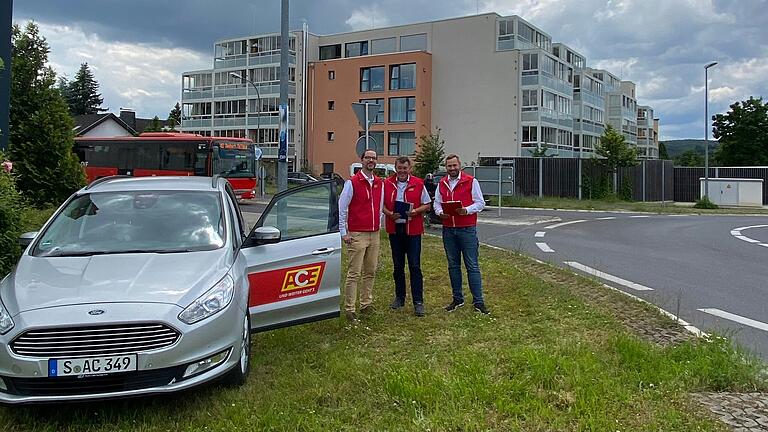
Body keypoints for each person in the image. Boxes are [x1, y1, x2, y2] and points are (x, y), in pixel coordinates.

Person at [433, 154, 490, 314]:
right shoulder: (442, 183)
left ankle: (478, 302)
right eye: (449, 166)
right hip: (449, 229)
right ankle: (457, 299)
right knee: (453, 266)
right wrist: (439, 212)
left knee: (472, 265)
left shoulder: (471, 181)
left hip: (467, 229)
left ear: (460, 166)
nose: (452, 168)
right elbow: (436, 202)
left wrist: (466, 210)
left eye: (454, 165)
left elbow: (480, 203)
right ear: (446, 167)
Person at [338, 149, 384, 322]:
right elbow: (342, 208)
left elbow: (379, 207)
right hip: (357, 233)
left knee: (370, 271)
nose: (370, 161)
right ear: (362, 160)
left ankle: (366, 303)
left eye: (373, 158)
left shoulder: (380, 183)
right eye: (367, 158)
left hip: (374, 233)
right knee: (354, 273)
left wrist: (378, 224)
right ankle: (350, 308)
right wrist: (344, 233)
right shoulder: (352, 182)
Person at [382, 157, 431, 317]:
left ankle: (418, 301)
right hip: (395, 229)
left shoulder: (418, 183)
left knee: (415, 266)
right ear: (395, 168)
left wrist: (416, 211)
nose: (402, 171)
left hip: (413, 230)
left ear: (410, 168)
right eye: (399, 168)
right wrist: (390, 214)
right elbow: (380, 204)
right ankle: (400, 297)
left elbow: (427, 204)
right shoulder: (387, 184)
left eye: (405, 168)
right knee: (398, 266)